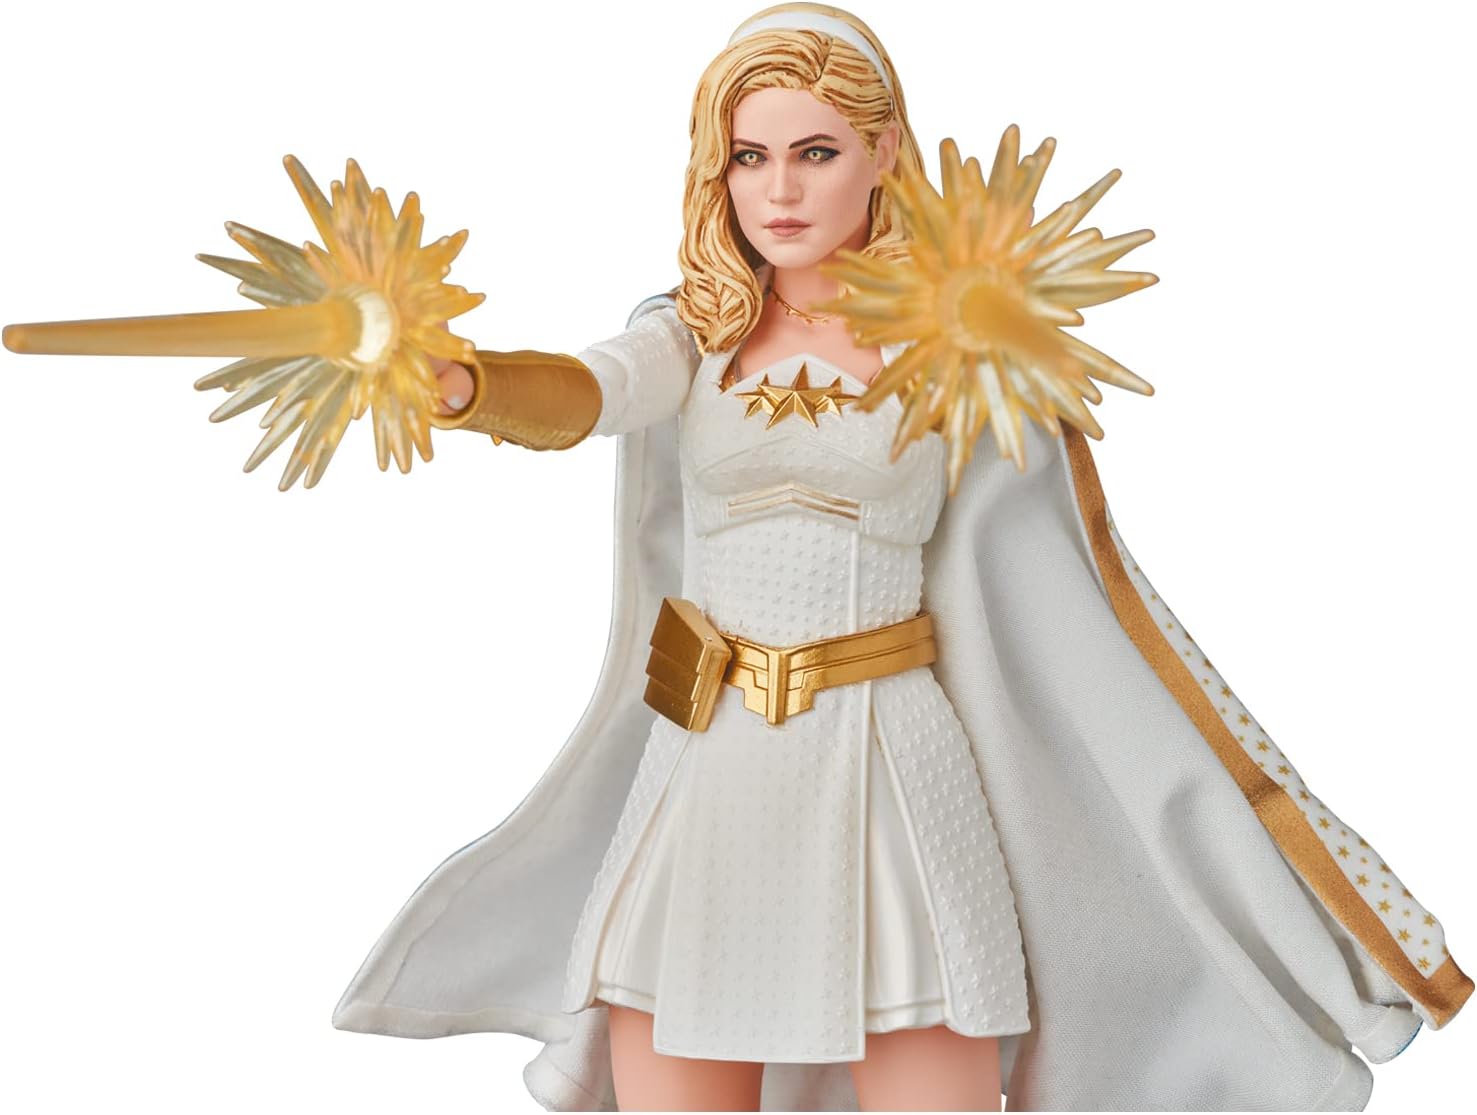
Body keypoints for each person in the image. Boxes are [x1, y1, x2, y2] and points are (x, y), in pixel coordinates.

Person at [331, 4, 1471, 1111]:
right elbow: (590, 392)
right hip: (711, 766)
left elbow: (1045, 564)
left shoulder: (948, 338)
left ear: (881, 154)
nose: (779, 191)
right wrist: (469, 386)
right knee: (669, 1058)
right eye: (749, 158)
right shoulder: (692, 332)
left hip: (888, 759)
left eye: (815, 153)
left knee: (932, 1055)